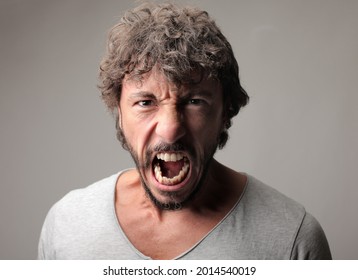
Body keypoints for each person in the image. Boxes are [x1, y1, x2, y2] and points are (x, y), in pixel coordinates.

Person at [38, 2, 331, 260]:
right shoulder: (67, 225)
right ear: (119, 112)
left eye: (194, 101)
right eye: (145, 102)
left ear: (225, 111)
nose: (170, 130)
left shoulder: (293, 239)